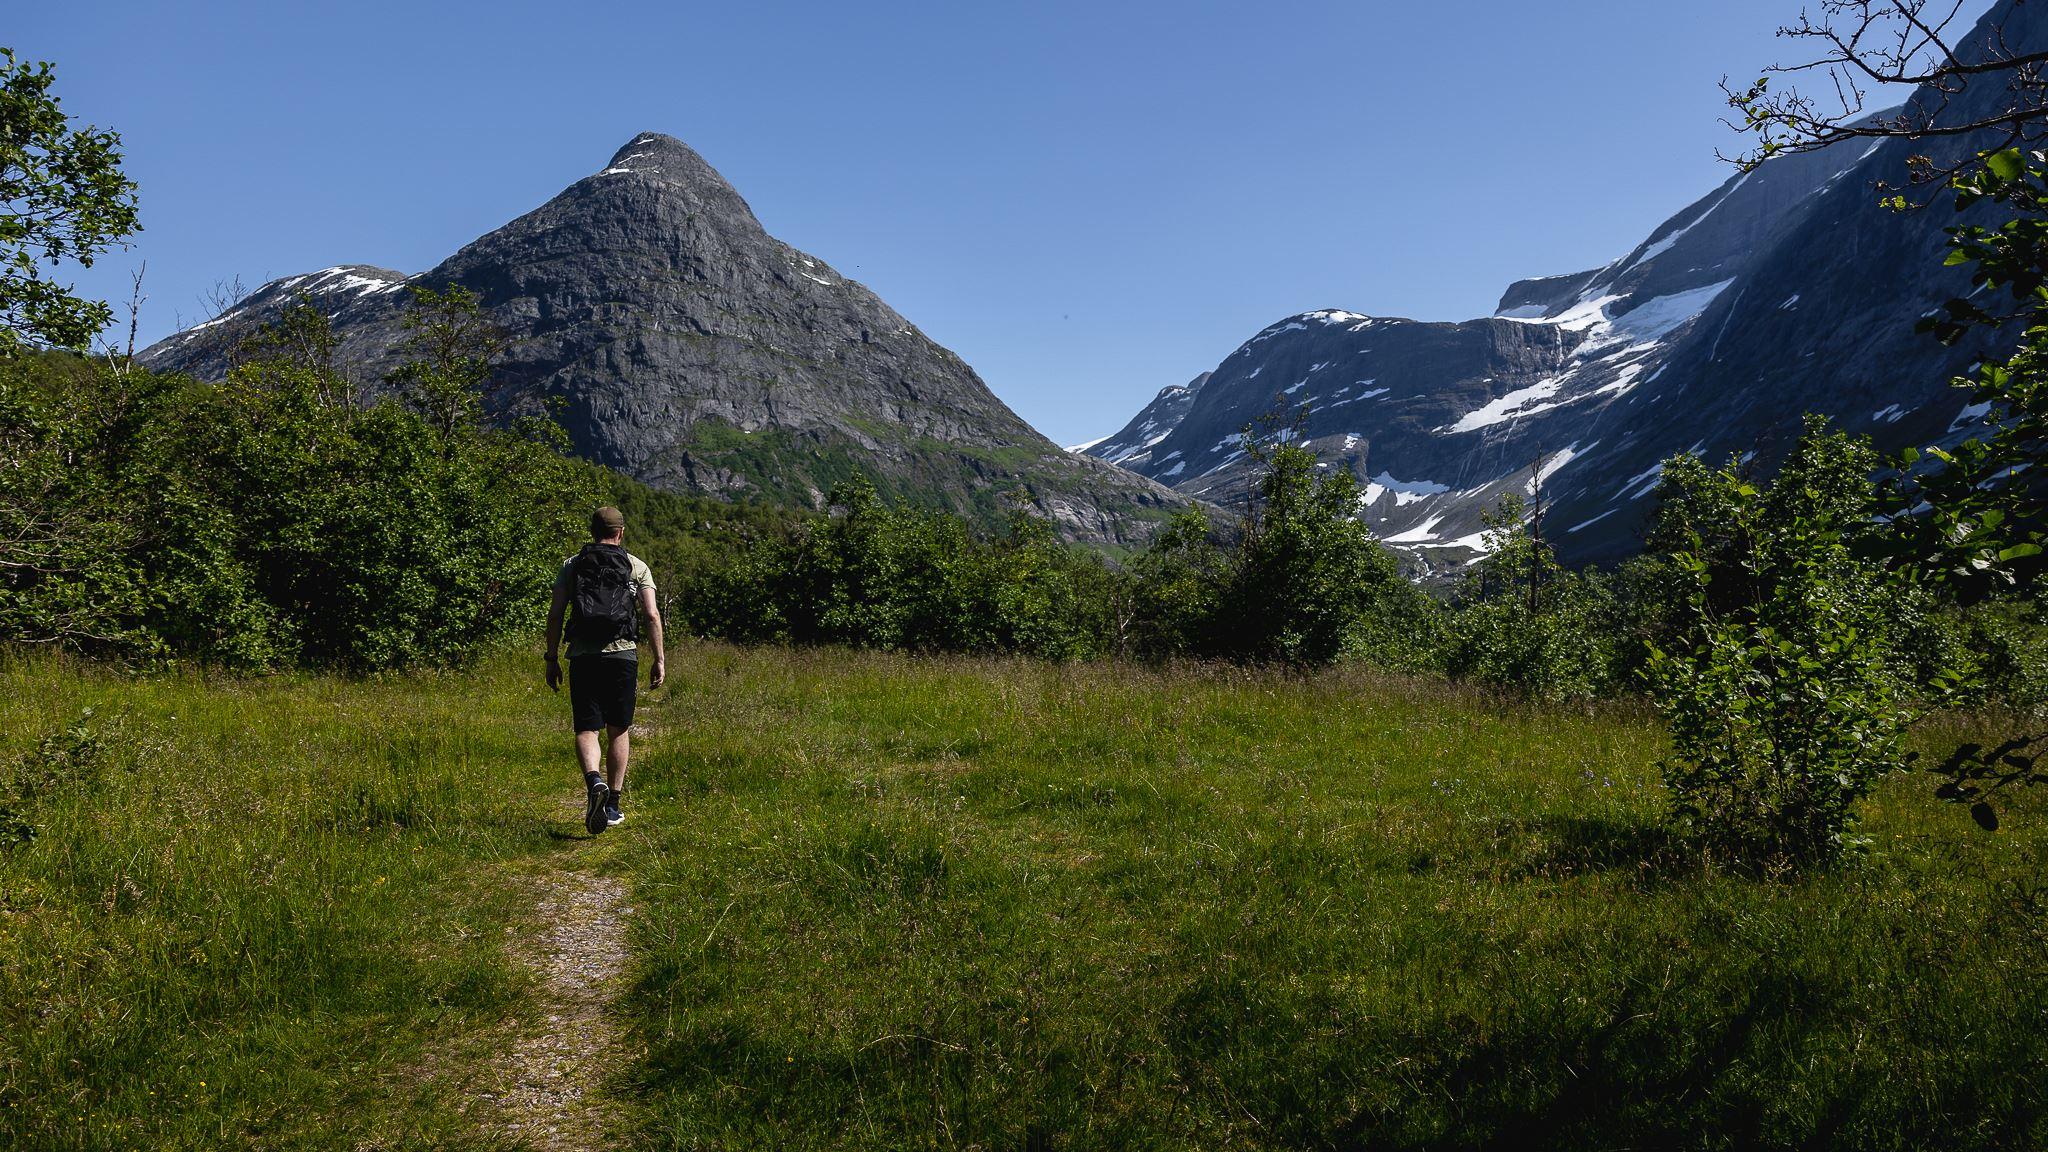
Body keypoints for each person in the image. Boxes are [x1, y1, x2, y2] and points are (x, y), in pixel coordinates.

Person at [545, 505, 665, 834]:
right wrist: (659, 658)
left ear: (593, 531)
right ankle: (612, 804)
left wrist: (551, 658)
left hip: (583, 656)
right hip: (622, 656)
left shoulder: (572, 565)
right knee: (618, 730)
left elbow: (555, 614)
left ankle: (593, 781)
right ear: (621, 532)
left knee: (587, 729)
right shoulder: (636, 566)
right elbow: (652, 615)